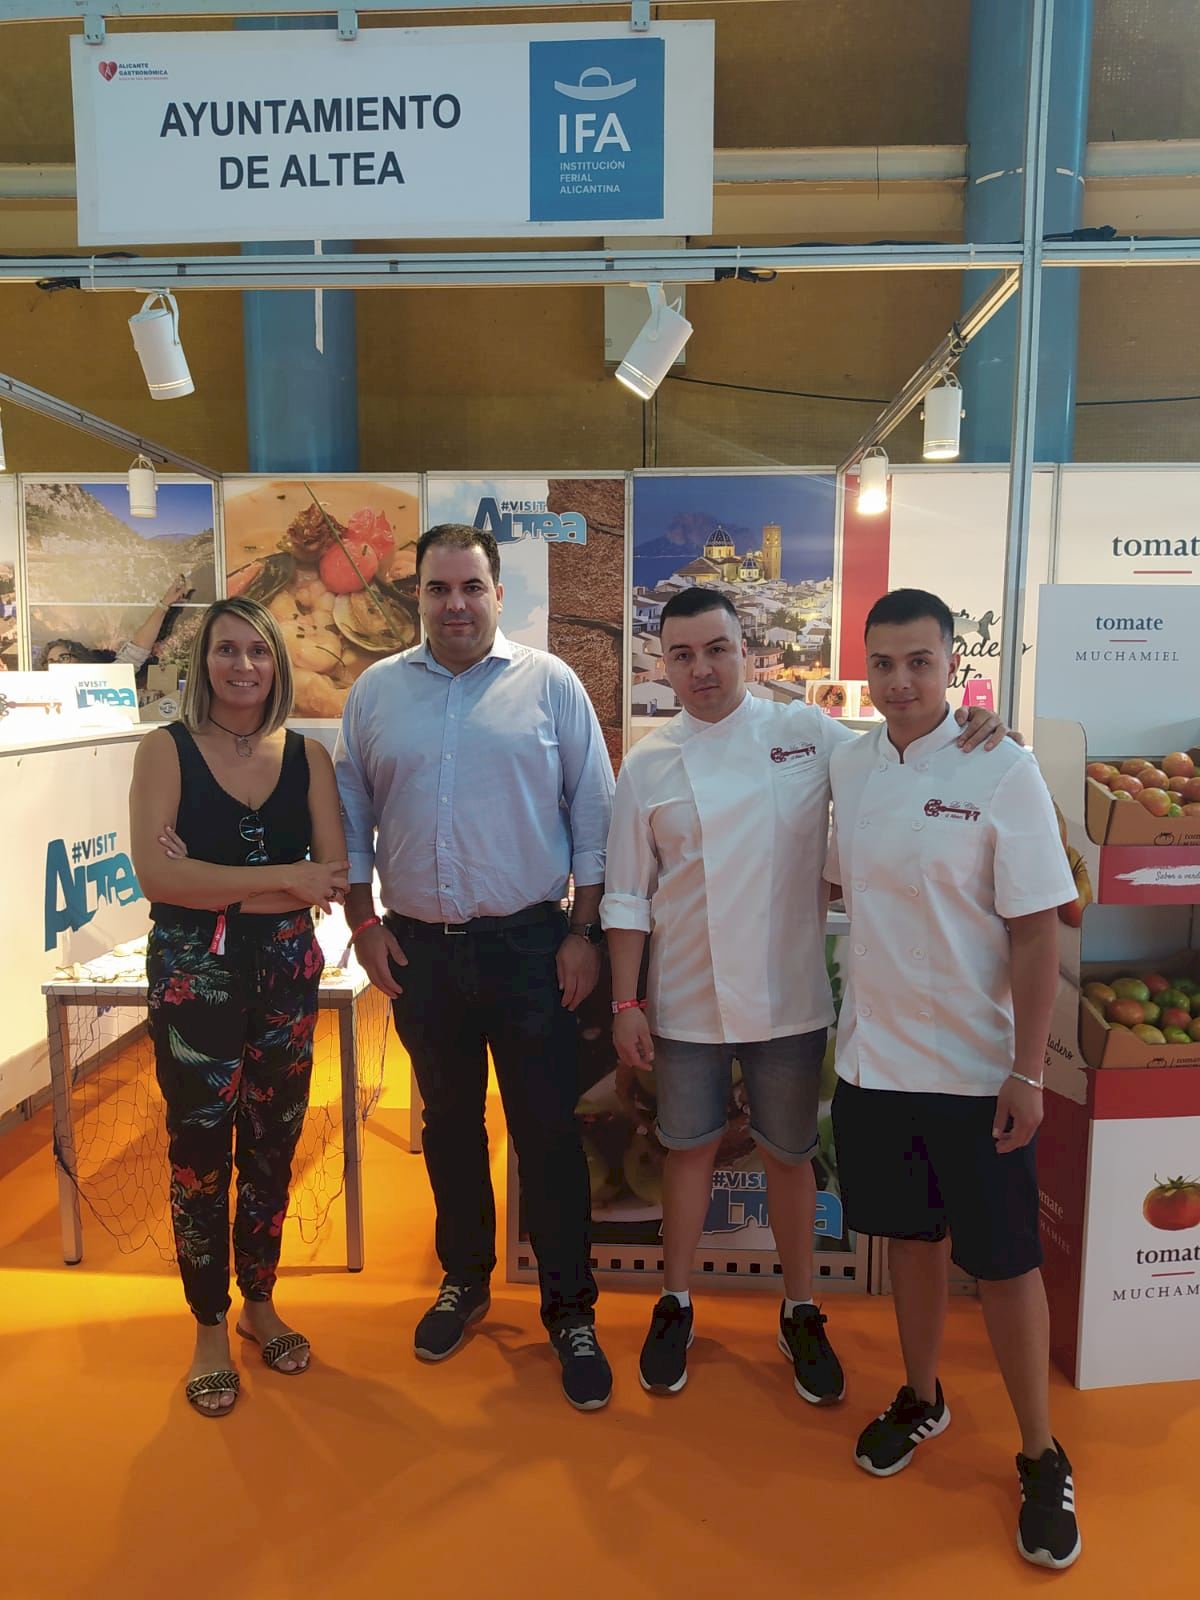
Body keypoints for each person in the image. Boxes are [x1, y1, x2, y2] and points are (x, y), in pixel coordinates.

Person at [601, 586, 1009, 1402]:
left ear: (745, 651)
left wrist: (975, 730)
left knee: (790, 1156)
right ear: (663, 665)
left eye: (717, 649)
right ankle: (675, 1301)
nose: (702, 668)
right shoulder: (648, 763)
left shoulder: (807, 734)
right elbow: (626, 894)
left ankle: (799, 1309)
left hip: (787, 994)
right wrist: (625, 1002)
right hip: (685, 994)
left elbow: (901, 749)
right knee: (688, 1150)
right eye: (682, 655)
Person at [825, 588, 1080, 1571]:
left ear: (952, 665)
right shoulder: (850, 763)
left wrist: (1027, 1070)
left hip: (978, 1071)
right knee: (912, 1240)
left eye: (920, 663)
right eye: (884, 664)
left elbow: (1037, 931)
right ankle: (922, 1395)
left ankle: (1041, 1452)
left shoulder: (1001, 766)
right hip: (877, 1061)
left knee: (1007, 1263)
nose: (901, 682)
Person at [334, 524, 616, 1411]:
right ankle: (464, 1280)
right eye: (437, 588)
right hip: (419, 951)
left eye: (471, 587)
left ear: (498, 592)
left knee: (548, 1132)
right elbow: (349, 815)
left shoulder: (551, 685)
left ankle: (571, 1310)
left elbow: (595, 813)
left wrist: (584, 931)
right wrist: (362, 921)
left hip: (532, 949)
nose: (455, 604)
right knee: (449, 1126)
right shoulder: (376, 692)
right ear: (416, 596)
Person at [129, 596, 349, 1419]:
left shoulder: (309, 757)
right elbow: (159, 880)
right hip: (196, 976)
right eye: (226, 650)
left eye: (257, 651)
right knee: (198, 1152)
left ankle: (259, 1300)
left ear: (277, 663)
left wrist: (214, 881)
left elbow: (330, 878)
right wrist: (283, 877)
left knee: (273, 1143)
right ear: (204, 662)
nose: (243, 665)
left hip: (288, 975)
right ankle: (208, 1325)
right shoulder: (166, 751)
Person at [43, 571, 194, 674]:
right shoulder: (44, 697)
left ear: (78, 659)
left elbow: (136, 652)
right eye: (51, 662)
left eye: (63, 658)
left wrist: (165, 604)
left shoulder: (104, 683)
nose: (57, 666)